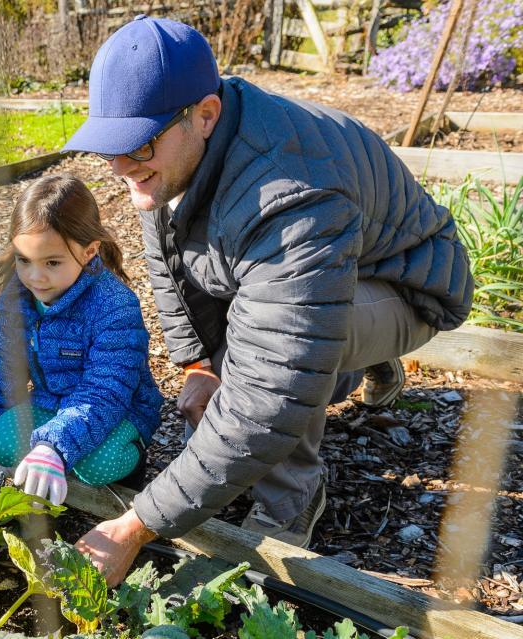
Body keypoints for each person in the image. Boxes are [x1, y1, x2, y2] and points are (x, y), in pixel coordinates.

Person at [63, 16, 474, 584]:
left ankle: (294, 497)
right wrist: (198, 365)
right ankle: (355, 351)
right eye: (108, 148)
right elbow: (169, 258)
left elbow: (270, 387)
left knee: (269, 355)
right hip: (332, 273)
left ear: (204, 115)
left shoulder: (289, 195)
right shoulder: (177, 152)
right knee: (249, 346)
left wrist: (135, 526)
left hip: (409, 284)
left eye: (138, 144)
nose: (120, 166)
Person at [0, 174, 163, 505]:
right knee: (1, 440)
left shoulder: (114, 305)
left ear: (90, 251)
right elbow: (3, 374)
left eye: (52, 262)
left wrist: (53, 445)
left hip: (118, 410)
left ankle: (133, 465)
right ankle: (56, 459)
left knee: (97, 464)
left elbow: (107, 389)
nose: (35, 276)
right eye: (24, 260)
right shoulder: (17, 299)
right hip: (51, 403)